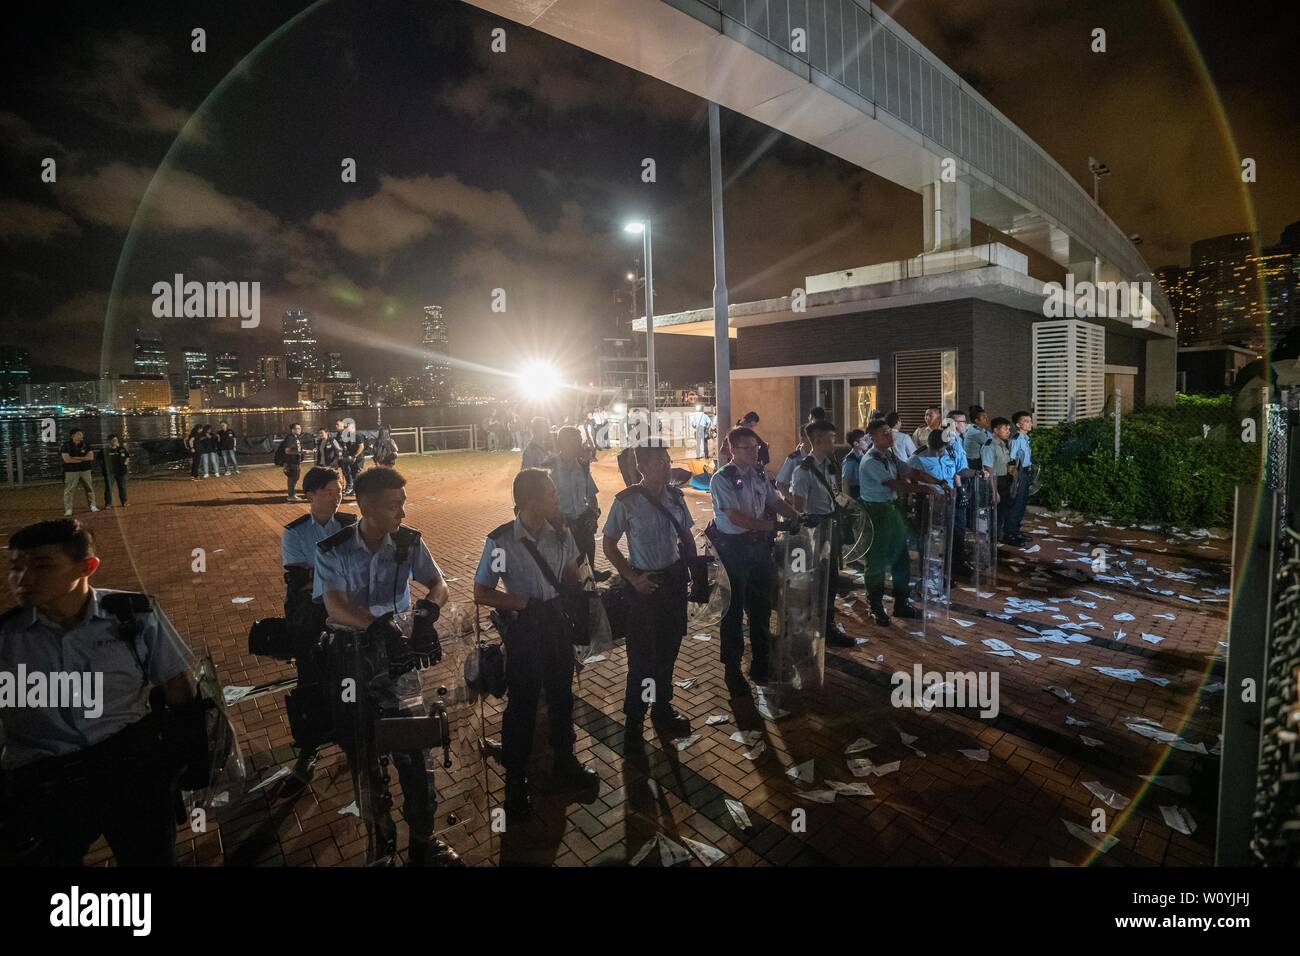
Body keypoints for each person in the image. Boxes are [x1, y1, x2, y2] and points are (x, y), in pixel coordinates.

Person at [0, 519, 194, 865]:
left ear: (87, 566)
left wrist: (182, 755)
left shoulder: (133, 615)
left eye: (41, 565)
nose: (21, 579)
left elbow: (178, 685)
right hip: (44, 785)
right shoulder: (6, 638)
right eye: (15, 567)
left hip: (131, 770)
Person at [312, 467, 459, 866]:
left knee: (414, 753)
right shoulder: (334, 549)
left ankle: (424, 844)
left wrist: (429, 611)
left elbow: (439, 582)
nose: (403, 514)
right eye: (395, 506)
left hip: (399, 662)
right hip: (353, 659)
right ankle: (382, 851)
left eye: (403, 505)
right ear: (367, 507)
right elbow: (336, 606)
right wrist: (378, 627)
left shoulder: (408, 543)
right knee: (367, 760)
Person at [473, 469, 598, 818]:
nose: (557, 499)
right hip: (525, 628)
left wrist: (587, 592)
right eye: (551, 494)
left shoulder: (561, 533)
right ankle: (515, 781)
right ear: (530, 501)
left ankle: (565, 761)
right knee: (523, 705)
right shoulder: (501, 542)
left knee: (561, 695)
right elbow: (481, 592)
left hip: (556, 622)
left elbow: (574, 575)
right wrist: (520, 603)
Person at [601, 443, 695, 750]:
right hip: (645, 588)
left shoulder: (677, 498)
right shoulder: (627, 502)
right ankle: (635, 720)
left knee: (668, 653)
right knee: (643, 660)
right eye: (658, 463)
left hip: (673, 585)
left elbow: (686, 536)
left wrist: (693, 572)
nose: (666, 468)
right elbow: (610, 545)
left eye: (668, 462)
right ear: (642, 467)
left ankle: (662, 709)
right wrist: (632, 577)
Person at [709, 426, 799, 696]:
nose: (754, 451)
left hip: (759, 550)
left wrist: (797, 517)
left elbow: (775, 500)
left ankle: (761, 663)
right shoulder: (721, 478)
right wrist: (771, 527)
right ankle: (732, 669)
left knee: (761, 609)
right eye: (747, 447)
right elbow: (736, 518)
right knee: (733, 612)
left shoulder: (759, 474)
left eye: (756, 446)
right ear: (733, 450)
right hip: (733, 552)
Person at [281, 466, 354, 780]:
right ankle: (309, 747)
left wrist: (326, 577)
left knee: (351, 678)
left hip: (348, 616)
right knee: (310, 682)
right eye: (328, 491)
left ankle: (352, 740)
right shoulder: (295, 532)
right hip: (311, 619)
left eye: (339, 491)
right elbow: (299, 581)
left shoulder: (351, 525)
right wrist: (338, 576)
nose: (336, 497)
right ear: (310, 494)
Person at [858, 420, 942, 626]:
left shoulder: (889, 455)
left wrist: (939, 482)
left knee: (900, 557)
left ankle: (901, 603)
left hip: (892, 509)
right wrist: (925, 489)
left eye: (889, 432)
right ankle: (875, 605)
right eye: (884, 433)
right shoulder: (870, 460)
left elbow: (910, 472)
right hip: (876, 512)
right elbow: (893, 483)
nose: (889, 436)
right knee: (876, 561)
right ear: (873, 437)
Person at [790, 419, 854, 647]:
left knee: (831, 579)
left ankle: (827, 624)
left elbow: (835, 494)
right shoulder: (802, 472)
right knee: (817, 581)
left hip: (830, 528)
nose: (835, 443)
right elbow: (799, 510)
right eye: (831, 439)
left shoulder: (830, 465)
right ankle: (818, 627)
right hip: (815, 534)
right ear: (817, 440)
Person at [548, 424, 609, 582]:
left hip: (582, 522)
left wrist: (593, 515)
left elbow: (591, 495)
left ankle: (590, 581)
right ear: (562, 444)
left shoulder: (582, 467)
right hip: (561, 524)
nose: (579, 445)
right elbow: (544, 500)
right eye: (574, 441)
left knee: (587, 559)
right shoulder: (550, 469)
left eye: (579, 441)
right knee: (566, 568)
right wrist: (558, 521)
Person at [776, 407, 827, 499]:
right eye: (811, 437)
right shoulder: (794, 459)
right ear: (802, 438)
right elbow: (780, 484)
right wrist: (794, 502)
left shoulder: (821, 458)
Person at [1003, 412, 1035, 546]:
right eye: (1026, 421)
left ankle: (1015, 531)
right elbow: (1012, 459)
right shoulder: (1016, 439)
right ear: (1018, 424)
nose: (1030, 423)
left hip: (1025, 472)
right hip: (1019, 473)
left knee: (1021, 505)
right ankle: (1009, 535)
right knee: (1016, 505)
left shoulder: (1025, 438)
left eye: (1030, 420)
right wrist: (1015, 479)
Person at [980, 416, 1013, 533]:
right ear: (995, 430)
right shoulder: (989, 446)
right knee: (994, 514)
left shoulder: (1003, 445)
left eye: (1009, 429)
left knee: (1003, 512)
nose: (1008, 432)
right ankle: (993, 540)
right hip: (995, 482)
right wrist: (994, 491)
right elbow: (988, 469)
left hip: (1004, 481)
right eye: (1005, 429)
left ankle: (999, 536)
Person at [60, 428, 97, 516]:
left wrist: (76, 458)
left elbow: (91, 457)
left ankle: (93, 506)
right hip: (71, 471)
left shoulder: (86, 445)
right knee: (69, 490)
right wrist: (83, 459)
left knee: (89, 488)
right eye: (79, 434)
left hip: (85, 470)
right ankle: (68, 509)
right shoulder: (66, 446)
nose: (81, 436)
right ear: (73, 435)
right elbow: (67, 459)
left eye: (81, 434)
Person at [277, 423, 306, 502]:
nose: (299, 430)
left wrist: (304, 451)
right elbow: (287, 451)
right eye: (297, 428)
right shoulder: (290, 438)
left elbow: (297, 449)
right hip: (291, 462)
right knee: (292, 478)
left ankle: (292, 494)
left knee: (295, 478)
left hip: (296, 462)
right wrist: (299, 453)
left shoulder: (296, 438)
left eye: (300, 428)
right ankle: (291, 495)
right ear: (292, 430)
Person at [101, 434, 130, 509]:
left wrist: (125, 464)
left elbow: (127, 456)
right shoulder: (105, 451)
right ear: (109, 441)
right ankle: (108, 504)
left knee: (122, 487)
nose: (115, 442)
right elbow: (100, 460)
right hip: (110, 473)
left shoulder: (121, 449)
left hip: (120, 472)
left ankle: (124, 502)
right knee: (109, 488)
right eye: (113, 440)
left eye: (116, 440)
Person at [841, 429, 867, 501]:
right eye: (864, 440)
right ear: (856, 443)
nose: (866, 442)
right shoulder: (849, 460)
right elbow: (845, 482)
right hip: (855, 492)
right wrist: (848, 501)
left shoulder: (864, 455)